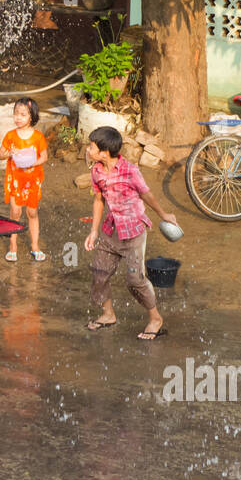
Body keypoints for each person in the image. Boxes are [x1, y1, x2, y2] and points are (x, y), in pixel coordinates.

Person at [84, 125, 178, 340]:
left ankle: (155, 318)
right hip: (110, 231)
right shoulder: (96, 170)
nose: (88, 150)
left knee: (135, 280)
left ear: (104, 152)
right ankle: (108, 314)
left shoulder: (130, 171)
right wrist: (93, 231)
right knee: (99, 274)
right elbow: (98, 200)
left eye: (91, 147)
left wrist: (163, 215)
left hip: (134, 231)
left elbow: (147, 195)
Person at [0, 97, 48, 262]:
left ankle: (35, 245)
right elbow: (0, 155)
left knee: (32, 212)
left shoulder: (38, 137)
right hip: (15, 180)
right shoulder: (11, 136)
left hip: (32, 180)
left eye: (22, 114)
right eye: (16, 114)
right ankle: (13, 245)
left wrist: (31, 162)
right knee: (16, 211)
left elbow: (44, 157)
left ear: (31, 117)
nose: (18, 118)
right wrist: (8, 153)